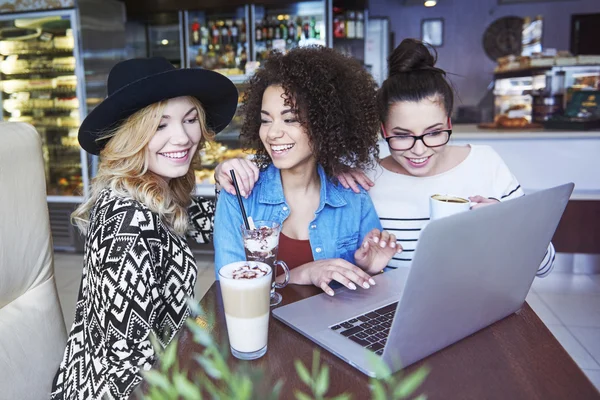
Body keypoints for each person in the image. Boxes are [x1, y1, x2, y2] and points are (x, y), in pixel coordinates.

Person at [217, 39, 555, 277]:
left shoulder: (486, 163)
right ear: (382, 131)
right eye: (403, 136)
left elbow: (542, 264)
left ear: (451, 124)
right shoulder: (362, 177)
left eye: (434, 132)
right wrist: (228, 168)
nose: (419, 149)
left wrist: (509, 225)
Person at [50, 57, 253, 400]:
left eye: (190, 120)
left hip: (164, 366)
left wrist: (229, 176)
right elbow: (129, 367)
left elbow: (208, 223)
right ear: (131, 135)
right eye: (160, 126)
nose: (183, 137)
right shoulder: (127, 222)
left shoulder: (154, 190)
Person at [213, 46, 400, 296]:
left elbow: (366, 295)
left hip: (329, 332)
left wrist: (369, 269)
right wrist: (302, 274)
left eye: (290, 119)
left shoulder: (352, 195)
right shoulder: (241, 197)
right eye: (266, 120)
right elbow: (231, 291)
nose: (272, 133)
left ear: (325, 124)